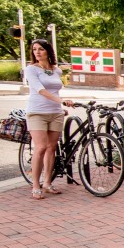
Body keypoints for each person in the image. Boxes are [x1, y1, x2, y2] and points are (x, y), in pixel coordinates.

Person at [24, 39, 73, 199]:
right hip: (37, 112)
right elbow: (40, 90)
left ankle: (47, 183)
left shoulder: (56, 70)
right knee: (41, 147)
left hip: (55, 113)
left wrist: (61, 106)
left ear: (48, 51)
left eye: (41, 49)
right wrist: (61, 102)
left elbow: (56, 90)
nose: (37, 52)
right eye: (35, 49)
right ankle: (35, 185)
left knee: (52, 147)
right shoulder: (31, 69)